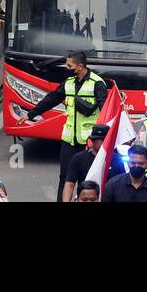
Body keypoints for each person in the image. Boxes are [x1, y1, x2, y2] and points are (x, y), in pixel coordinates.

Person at [23, 51, 107, 201]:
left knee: (87, 179)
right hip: (69, 140)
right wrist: (31, 114)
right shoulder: (69, 83)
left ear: (80, 66)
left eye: (69, 65)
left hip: (88, 141)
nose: (66, 68)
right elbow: (52, 99)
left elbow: (106, 110)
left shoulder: (97, 83)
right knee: (65, 177)